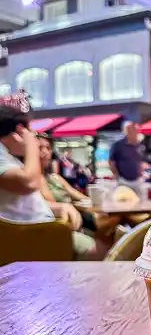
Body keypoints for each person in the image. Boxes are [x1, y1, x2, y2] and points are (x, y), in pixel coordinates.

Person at [0, 106, 99, 260]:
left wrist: (61, 207)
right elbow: (28, 183)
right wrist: (31, 146)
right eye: (30, 133)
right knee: (102, 250)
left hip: (39, 230)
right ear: (20, 131)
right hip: (33, 236)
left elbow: (21, 202)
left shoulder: (9, 158)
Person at [38, 136, 119, 237]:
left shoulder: (55, 177)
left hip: (78, 215)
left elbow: (75, 194)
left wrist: (94, 201)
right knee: (113, 225)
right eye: (40, 148)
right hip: (66, 221)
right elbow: (53, 206)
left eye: (48, 148)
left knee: (114, 222)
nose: (45, 152)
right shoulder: (37, 179)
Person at [109, 121, 143, 196]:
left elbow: (140, 161)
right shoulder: (118, 145)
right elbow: (111, 161)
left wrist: (141, 173)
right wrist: (116, 175)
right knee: (124, 203)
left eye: (135, 130)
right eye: (132, 130)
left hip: (137, 181)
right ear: (126, 131)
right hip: (123, 181)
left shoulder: (138, 145)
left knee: (139, 203)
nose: (135, 132)